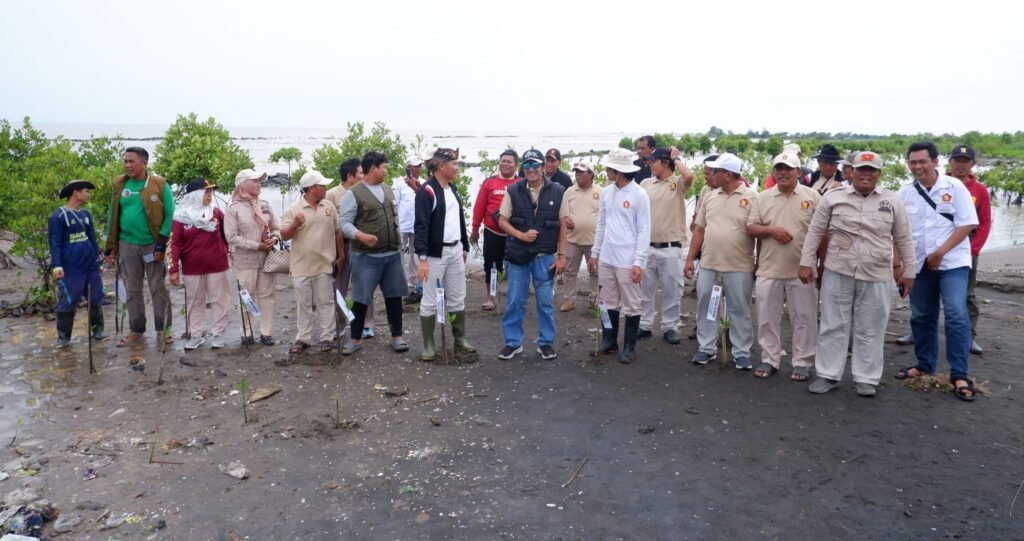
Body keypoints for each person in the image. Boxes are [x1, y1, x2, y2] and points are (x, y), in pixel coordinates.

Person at [798, 151, 916, 397]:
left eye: (871, 170)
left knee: (871, 327)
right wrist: (807, 261)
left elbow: (904, 238)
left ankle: (867, 378)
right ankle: (828, 375)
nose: (866, 174)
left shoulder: (892, 201)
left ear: (879, 174)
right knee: (833, 325)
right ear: (851, 171)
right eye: (861, 169)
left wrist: (910, 271)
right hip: (838, 270)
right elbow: (815, 232)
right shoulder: (833, 198)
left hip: (876, 274)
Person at [894, 142, 979, 402]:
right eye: (913, 162)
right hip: (918, 264)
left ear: (935, 162)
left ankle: (959, 373)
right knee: (921, 315)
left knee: (955, 313)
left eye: (923, 161)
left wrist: (941, 252)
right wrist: (898, 264)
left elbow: (967, 224)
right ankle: (925, 365)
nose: (918, 166)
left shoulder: (955, 188)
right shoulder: (904, 193)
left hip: (951, 263)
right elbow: (897, 232)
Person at [745, 152, 822, 381]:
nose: (783, 173)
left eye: (788, 169)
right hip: (769, 268)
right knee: (767, 318)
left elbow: (822, 234)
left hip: (803, 269)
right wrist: (771, 230)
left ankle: (802, 362)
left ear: (798, 172)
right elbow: (751, 227)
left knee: (804, 319)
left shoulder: (813, 196)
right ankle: (770, 359)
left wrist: (820, 265)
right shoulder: (763, 197)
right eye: (779, 168)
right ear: (773, 173)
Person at [684, 153, 757, 369]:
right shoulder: (709, 196)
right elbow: (699, 230)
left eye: (715, 171)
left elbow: (757, 231)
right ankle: (706, 348)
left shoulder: (752, 197)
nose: (711, 175)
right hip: (709, 264)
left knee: (739, 309)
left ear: (728, 174)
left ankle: (741, 352)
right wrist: (690, 259)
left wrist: (760, 262)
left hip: (739, 265)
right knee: (707, 306)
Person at [496, 148, 567, 360]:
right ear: (522, 168)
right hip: (518, 255)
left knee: (545, 302)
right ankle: (512, 342)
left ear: (544, 167)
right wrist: (520, 235)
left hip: (544, 256)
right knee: (515, 300)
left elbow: (564, 225)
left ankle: (545, 342)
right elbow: (501, 220)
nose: (531, 169)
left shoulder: (558, 190)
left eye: (535, 165)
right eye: (527, 165)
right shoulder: (512, 190)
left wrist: (562, 256)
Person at [338, 151, 410, 355]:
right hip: (365, 257)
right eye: (383, 167)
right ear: (373, 168)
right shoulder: (353, 194)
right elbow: (343, 223)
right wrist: (360, 235)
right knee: (360, 299)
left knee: (394, 296)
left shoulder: (388, 190)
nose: (386, 171)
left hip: (392, 255)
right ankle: (355, 339)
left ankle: (397, 336)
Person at [104, 147, 175, 347]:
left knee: (157, 288)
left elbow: (170, 213)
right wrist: (110, 246)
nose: (127, 165)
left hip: (152, 245)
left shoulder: (160, 185)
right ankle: (136, 329)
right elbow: (113, 214)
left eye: (131, 161)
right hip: (127, 245)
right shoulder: (120, 184)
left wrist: (161, 244)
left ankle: (164, 329)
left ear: (144, 163)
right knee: (132, 289)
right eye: (125, 161)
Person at [589, 149, 651, 363]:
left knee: (632, 304)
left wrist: (638, 261)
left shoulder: (639, 194)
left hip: (627, 258)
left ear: (619, 171)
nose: (606, 171)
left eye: (609, 168)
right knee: (607, 301)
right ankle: (609, 340)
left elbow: (644, 229)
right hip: (607, 255)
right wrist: (595, 253)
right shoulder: (607, 192)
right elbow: (602, 223)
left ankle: (630, 346)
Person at [414, 148, 474, 361]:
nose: (457, 168)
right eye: (454, 164)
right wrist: (422, 259)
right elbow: (420, 226)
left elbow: (459, 219)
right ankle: (429, 344)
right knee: (430, 299)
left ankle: (460, 339)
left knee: (458, 296)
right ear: (441, 165)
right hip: (434, 253)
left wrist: (465, 246)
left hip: (455, 249)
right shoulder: (427, 191)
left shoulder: (452, 188)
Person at [281, 170, 345, 354]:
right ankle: (303, 337)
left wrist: (341, 256)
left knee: (326, 301)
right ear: (311, 189)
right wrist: (294, 225)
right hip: (301, 265)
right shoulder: (295, 209)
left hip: (325, 263)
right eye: (321, 186)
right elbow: (284, 234)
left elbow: (338, 231)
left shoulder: (328, 206)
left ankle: (327, 337)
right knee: (304, 303)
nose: (325, 189)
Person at [638, 147, 695, 344]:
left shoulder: (677, 183)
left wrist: (676, 157)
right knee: (645, 289)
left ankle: (669, 326)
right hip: (647, 246)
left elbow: (688, 175)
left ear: (665, 163)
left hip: (671, 247)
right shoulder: (646, 183)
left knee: (672, 290)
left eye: (654, 161)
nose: (650, 165)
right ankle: (644, 324)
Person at [170, 178, 230, 350]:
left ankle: (218, 334)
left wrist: (225, 253)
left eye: (211, 192)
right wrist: (173, 269)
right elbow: (174, 244)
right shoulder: (180, 218)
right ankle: (196, 335)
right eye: (206, 192)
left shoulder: (216, 213)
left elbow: (227, 235)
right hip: (192, 268)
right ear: (195, 195)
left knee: (220, 299)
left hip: (218, 266)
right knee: (195, 301)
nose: (210, 195)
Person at [224, 169, 281, 345]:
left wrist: (274, 238)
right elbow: (231, 237)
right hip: (245, 260)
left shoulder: (265, 204)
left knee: (267, 296)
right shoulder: (233, 208)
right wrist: (257, 246)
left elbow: (276, 227)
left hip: (267, 260)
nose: (259, 184)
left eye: (260, 181)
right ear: (243, 185)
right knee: (247, 297)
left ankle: (266, 333)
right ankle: (247, 333)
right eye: (255, 181)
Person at [49, 180, 107, 348]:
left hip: (90, 265)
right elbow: (55, 243)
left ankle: (98, 331)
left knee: (95, 296)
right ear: (75, 193)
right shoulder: (58, 216)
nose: (88, 194)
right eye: (86, 191)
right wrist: (57, 265)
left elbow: (92, 239)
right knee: (69, 299)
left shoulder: (86, 215)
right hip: (71, 268)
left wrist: (97, 260)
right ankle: (64, 337)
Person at [327, 158, 376, 338]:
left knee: (365, 285)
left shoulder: (366, 191)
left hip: (363, 247)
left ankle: (366, 324)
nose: (364, 176)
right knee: (339, 287)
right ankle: (339, 325)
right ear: (350, 176)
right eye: (361, 173)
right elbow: (329, 226)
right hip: (342, 247)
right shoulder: (332, 195)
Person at [471, 149, 519, 311]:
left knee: (516, 266)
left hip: (514, 234)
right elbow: (479, 207)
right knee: (491, 266)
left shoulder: (521, 182)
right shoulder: (489, 183)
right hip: (493, 233)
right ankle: (491, 297)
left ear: (516, 165)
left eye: (509, 162)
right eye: (503, 161)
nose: (505, 164)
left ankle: (514, 298)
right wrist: (475, 228)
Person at [558, 161, 602, 312]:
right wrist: (567, 218)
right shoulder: (569, 192)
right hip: (572, 239)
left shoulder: (601, 191)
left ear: (590, 174)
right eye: (576, 172)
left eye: (581, 172)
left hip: (594, 241)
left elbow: (606, 215)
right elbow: (562, 214)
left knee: (595, 272)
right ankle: (569, 300)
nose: (578, 174)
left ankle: (595, 300)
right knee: (570, 272)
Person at [395, 155, 424, 304]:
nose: (418, 168)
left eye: (420, 165)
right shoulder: (399, 183)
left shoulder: (424, 183)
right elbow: (396, 204)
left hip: (417, 224)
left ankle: (413, 280)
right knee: (400, 252)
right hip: (403, 223)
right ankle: (400, 281)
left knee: (416, 253)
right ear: (409, 167)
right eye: (415, 165)